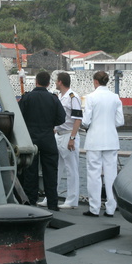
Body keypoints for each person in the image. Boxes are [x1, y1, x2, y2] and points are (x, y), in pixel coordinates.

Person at [19, 71, 66, 211]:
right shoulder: (53, 99)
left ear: (36, 81)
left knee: (30, 171)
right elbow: (61, 118)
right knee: (51, 171)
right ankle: (52, 203)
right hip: (48, 138)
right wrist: (50, 124)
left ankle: (31, 201)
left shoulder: (27, 98)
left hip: (31, 138)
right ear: (48, 83)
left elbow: (19, 116)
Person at [81, 70, 124, 217]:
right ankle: (111, 208)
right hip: (111, 140)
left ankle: (94, 207)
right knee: (111, 175)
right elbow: (120, 121)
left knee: (94, 174)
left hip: (94, 140)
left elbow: (86, 121)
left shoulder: (91, 97)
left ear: (95, 81)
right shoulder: (115, 97)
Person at [51, 71, 83, 209]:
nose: (55, 83)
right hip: (58, 134)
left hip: (69, 135)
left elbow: (78, 119)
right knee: (55, 168)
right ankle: (51, 196)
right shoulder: (60, 96)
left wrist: (72, 138)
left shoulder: (72, 97)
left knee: (72, 169)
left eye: (56, 80)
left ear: (60, 82)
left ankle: (71, 200)